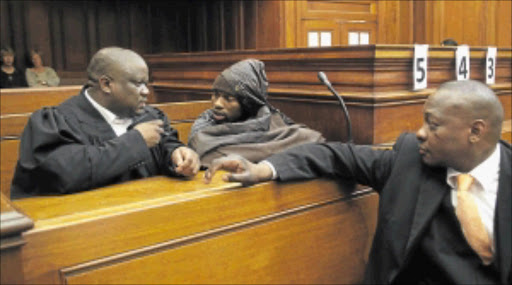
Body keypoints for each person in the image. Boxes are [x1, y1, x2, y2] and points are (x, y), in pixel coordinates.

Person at [204, 80, 511, 284]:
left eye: (433, 126)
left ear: (476, 132)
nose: (420, 133)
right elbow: (335, 154)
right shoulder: (408, 161)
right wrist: (263, 169)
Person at [11, 47, 200, 199]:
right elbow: (63, 174)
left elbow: (167, 146)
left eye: (147, 84)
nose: (146, 92)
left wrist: (179, 155)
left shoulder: (149, 116)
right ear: (106, 84)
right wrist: (136, 142)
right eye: (138, 84)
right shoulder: (55, 122)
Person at [188, 59, 325, 167]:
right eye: (215, 95)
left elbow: (312, 141)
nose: (217, 104)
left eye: (228, 98)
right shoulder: (203, 128)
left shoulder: (276, 126)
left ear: (247, 103)